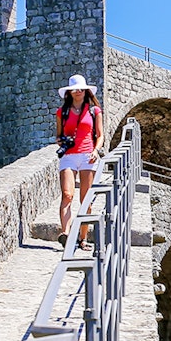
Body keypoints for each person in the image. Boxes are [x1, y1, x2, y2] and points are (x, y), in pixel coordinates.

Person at [55, 74, 103, 250]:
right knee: (67, 194)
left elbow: (100, 134)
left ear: (86, 91)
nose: (78, 92)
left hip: (87, 156)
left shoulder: (94, 111)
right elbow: (58, 136)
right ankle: (66, 234)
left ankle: (83, 238)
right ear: (70, 92)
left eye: (81, 89)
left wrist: (96, 150)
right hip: (69, 156)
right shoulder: (62, 112)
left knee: (86, 200)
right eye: (74, 89)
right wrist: (62, 141)